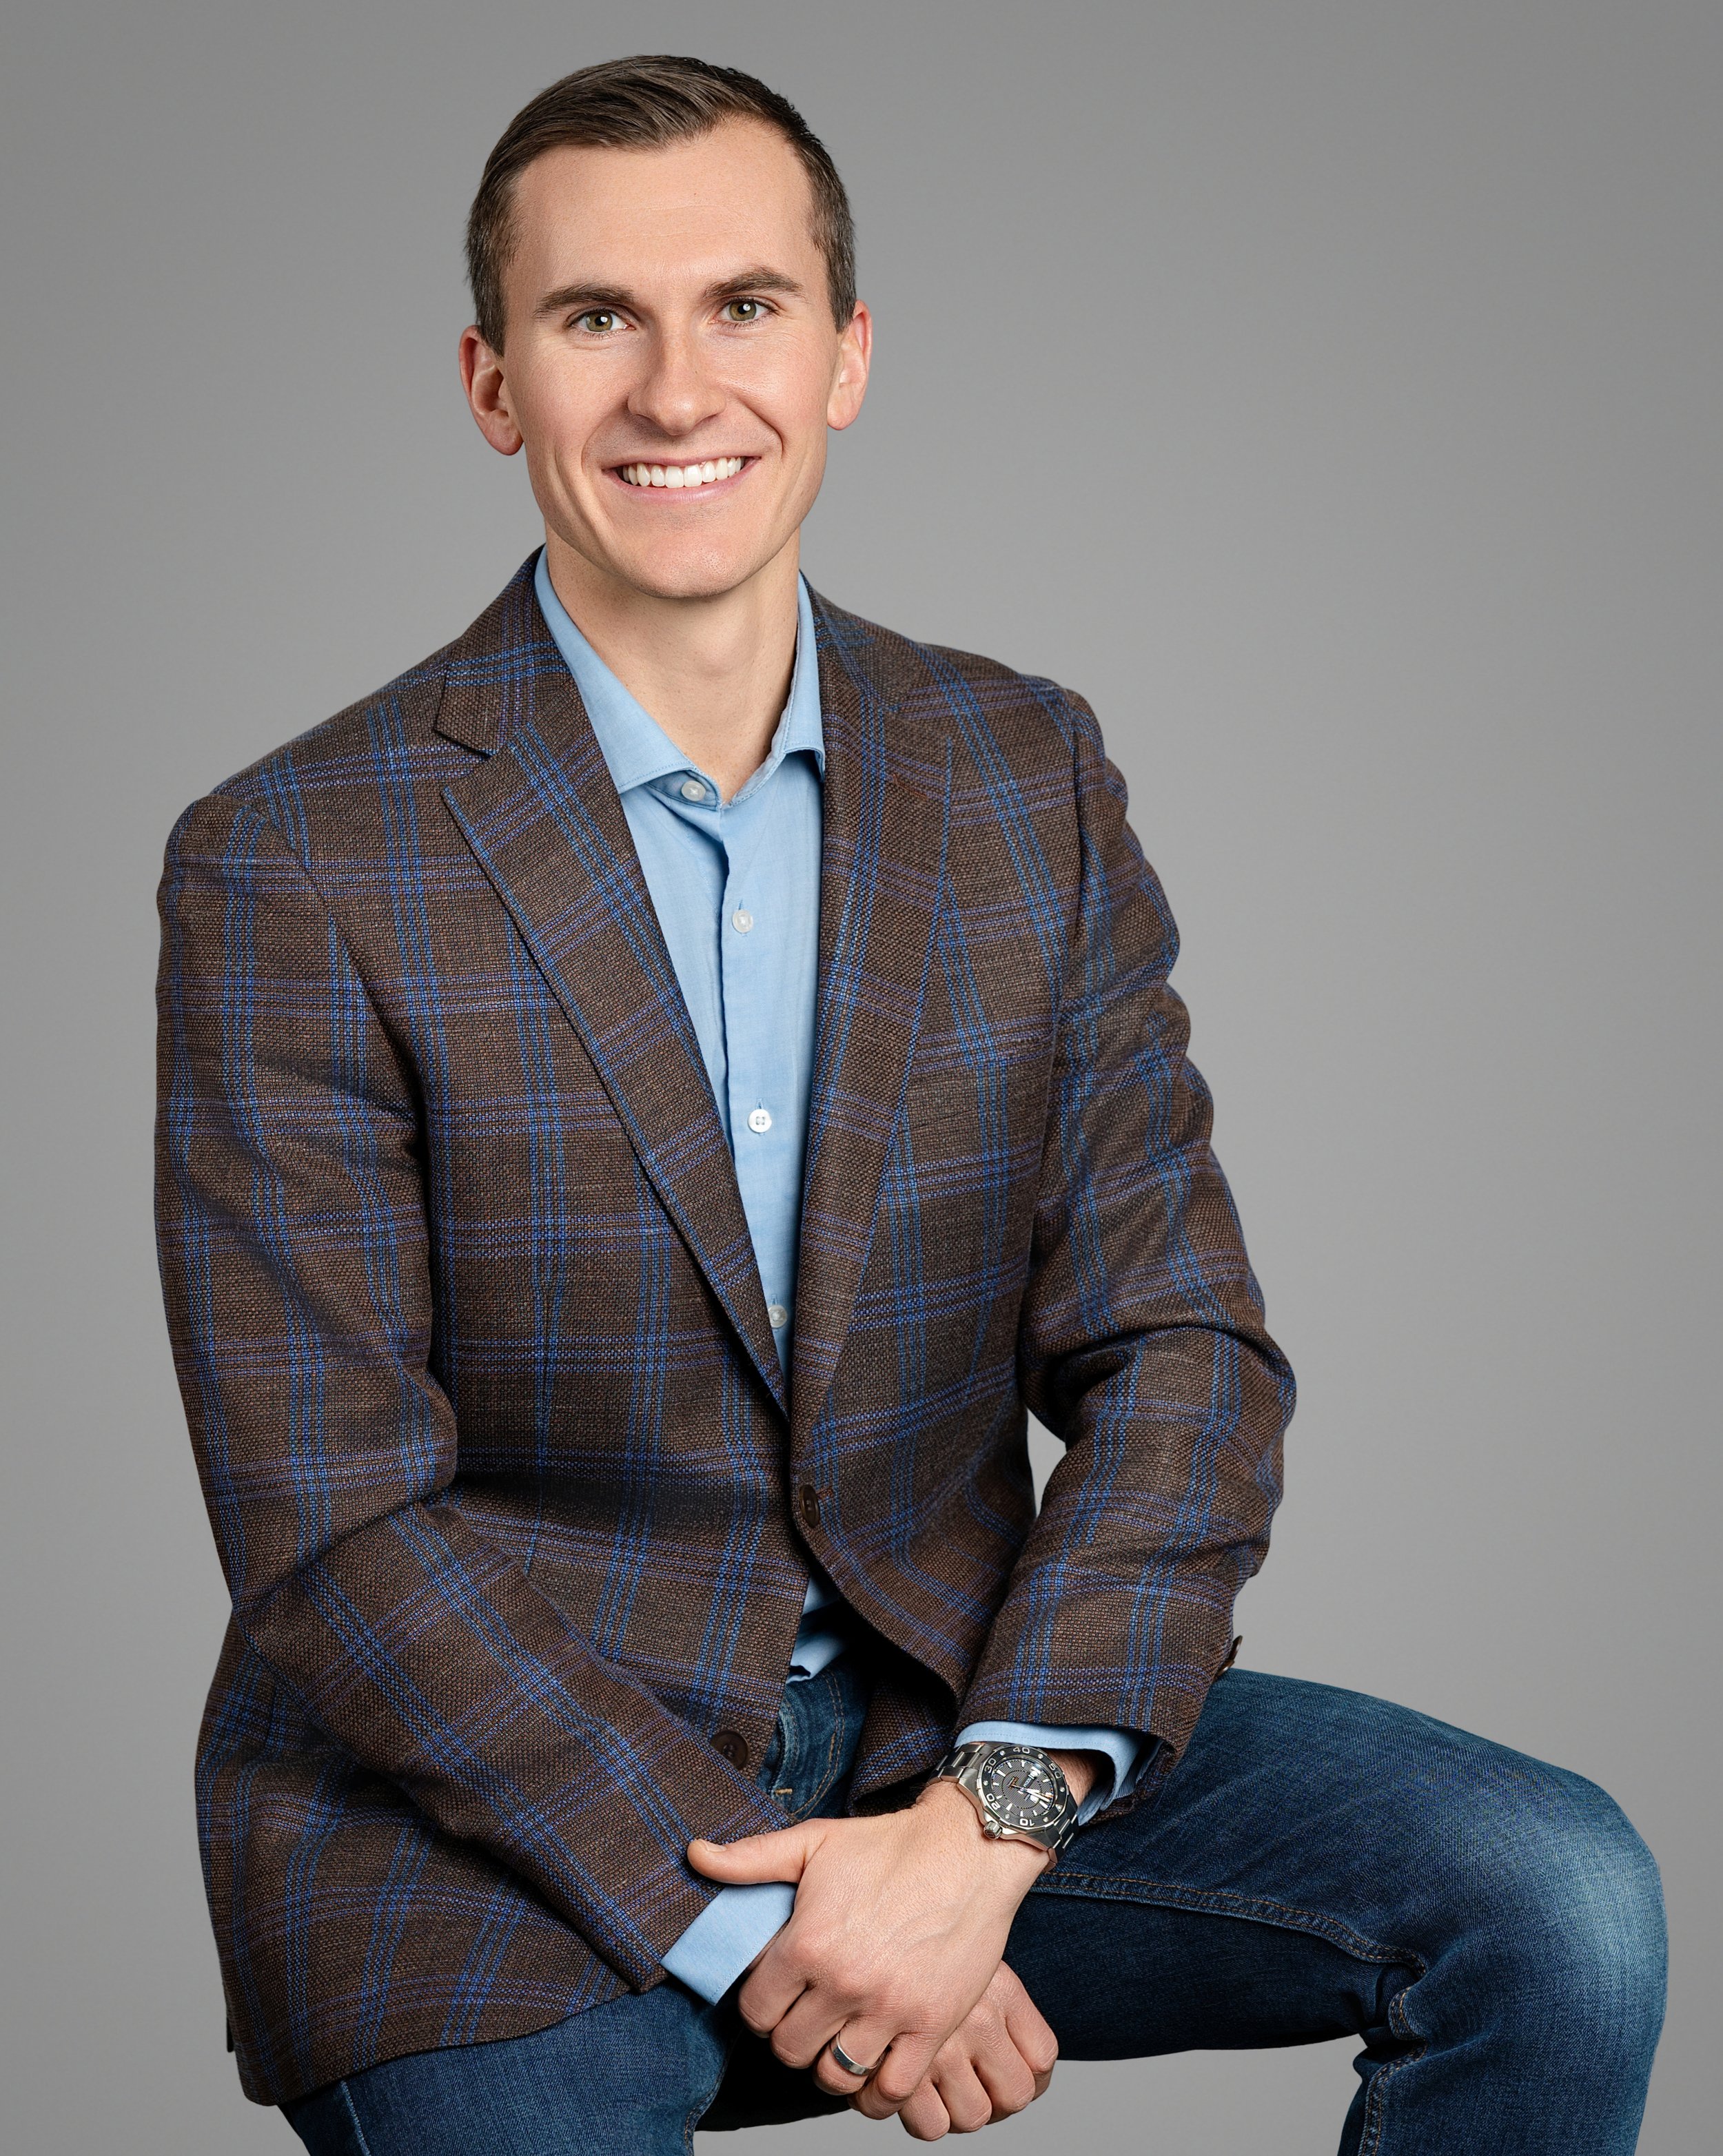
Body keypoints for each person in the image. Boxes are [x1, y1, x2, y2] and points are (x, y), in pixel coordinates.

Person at [154, 54, 1665, 2156]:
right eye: (601, 319)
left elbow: (1178, 1356)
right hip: (480, 1826)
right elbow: (334, 1534)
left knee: (1556, 1901)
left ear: (845, 355)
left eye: (746, 307)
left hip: (936, 1737)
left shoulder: (1016, 774)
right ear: (495, 382)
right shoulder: (300, 856)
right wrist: (789, 1936)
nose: (681, 391)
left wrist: (979, 1834)